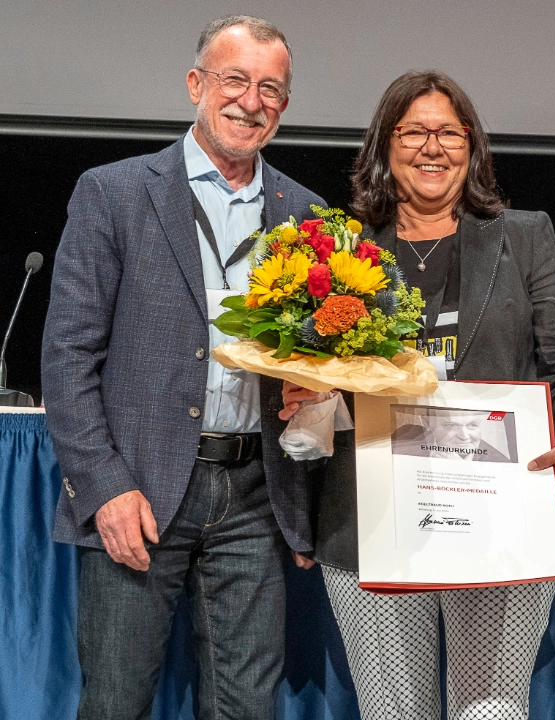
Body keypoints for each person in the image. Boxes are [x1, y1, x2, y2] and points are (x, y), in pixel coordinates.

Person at [279, 70, 555, 720]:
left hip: (502, 512)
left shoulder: (524, 236)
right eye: (414, 132)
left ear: (471, 146)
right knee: (394, 713)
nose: (433, 147)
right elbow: (311, 381)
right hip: (369, 517)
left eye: (449, 133)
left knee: (492, 712)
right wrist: (305, 395)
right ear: (385, 144)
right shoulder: (338, 250)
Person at [41, 15, 324, 718]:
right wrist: (105, 488)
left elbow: (318, 372)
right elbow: (68, 357)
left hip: (257, 495)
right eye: (235, 80)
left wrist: (314, 404)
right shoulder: (113, 192)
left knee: (246, 708)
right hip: (137, 489)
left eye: (270, 89)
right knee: (116, 701)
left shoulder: (307, 215)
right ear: (197, 84)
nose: (250, 102)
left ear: (285, 105)